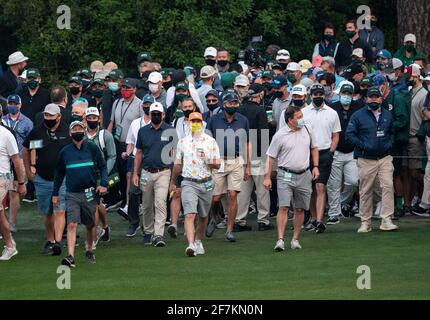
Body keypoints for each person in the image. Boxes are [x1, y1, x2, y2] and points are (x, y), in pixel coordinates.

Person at [264, 105, 319, 251]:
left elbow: (314, 148)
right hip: (284, 175)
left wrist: (316, 166)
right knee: (283, 207)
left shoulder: (308, 129)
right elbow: (270, 157)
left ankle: (295, 239)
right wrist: (267, 177)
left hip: (304, 174)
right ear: (290, 120)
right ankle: (280, 240)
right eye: (299, 117)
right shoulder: (280, 135)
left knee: (300, 209)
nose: (302, 119)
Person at [53, 121, 108, 267]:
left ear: (83, 131)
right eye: (74, 129)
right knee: (71, 224)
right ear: (70, 133)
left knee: (90, 226)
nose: (77, 131)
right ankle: (70, 256)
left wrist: (103, 183)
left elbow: (103, 167)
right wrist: (55, 193)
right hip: (72, 193)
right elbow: (59, 173)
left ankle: (89, 250)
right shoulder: (65, 152)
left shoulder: (92, 148)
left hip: (90, 193)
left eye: (79, 128)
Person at [346, 87, 399, 232]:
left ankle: (386, 219)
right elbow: (350, 134)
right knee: (365, 190)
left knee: (388, 185)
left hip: (384, 157)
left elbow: (392, 133)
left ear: (381, 99)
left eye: (377, 97)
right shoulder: (358, 115)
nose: (374, 99)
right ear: (366, 99)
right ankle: (365, 221)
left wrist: (389, 144)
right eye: (371, 97)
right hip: (365, 158)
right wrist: (363, 145)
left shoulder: (387, 115)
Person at [169, 112, 221, 256]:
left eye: (198, 121)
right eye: (193, 121)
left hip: (206, 182)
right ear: (188, 124)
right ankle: (191, 244)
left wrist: (207, 159)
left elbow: (217, 164)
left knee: (203, 216)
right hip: (189, 182)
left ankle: (198, 240)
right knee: (190, 214)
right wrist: (173, 181)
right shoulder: (182, 142)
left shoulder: (210, 141)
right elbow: (178, 164)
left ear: (202, 123)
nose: (195, 123)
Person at [22, 104, 71, 255]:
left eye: (51, 116)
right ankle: (50, 240)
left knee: (60, 211)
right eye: (46, 116)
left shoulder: (67, 130)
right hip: (43, 178)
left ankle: (57, 242)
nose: (48, 118)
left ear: (59, 116)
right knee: (47, 212)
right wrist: (29, 170)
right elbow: (26, 149)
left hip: (62, 178)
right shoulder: (37, 131)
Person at [206, 91, 250, 242]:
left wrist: (248, 166)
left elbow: (247, 143)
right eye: (229, 103)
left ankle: (230, 230)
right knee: (216, 197)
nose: (232, 105)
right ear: (223, 105)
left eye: (234, 103)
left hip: (236, 160)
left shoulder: (243, 120)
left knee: (232, 194)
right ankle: (215, 217)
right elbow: (207, 141)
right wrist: (209, 161)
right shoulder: (214, 120)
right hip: (218, 161)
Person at [132, 102, 177, 247]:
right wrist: (135, 173)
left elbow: (174, 154)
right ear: (149, 115)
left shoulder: (170, 130)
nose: (156, 116)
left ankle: (158, 235)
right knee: (146, 204)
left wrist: (173, 176)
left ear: (163, 115)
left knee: (160, 203)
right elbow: (138, 153)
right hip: (146, 171)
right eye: (154, 114)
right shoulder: (143, 131)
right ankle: (148, 231)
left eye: (159, 114)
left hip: (163, 172)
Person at [302, 84, 341, 233]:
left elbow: (336, 135)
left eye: (320, 94)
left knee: (320, 186)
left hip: (325, 153)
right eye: (315, 94)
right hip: (307, 153)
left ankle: (319, 220)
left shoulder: (332, 113)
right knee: (310, 189)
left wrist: (331, 151)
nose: (318, 96)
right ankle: (313, 219)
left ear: (324, 95)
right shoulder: (303, 112)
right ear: (310, 96)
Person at [236, 84, 272, 231]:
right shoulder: (260, 110)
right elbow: (263, 134)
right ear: (260, 94)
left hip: (241, 153)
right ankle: (263, 220)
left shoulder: (239, 109)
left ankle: (239, 220)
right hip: (257, 152)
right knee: (262, 189)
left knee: (243, 189)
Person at [326, 84, 361, 224]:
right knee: (333, 184)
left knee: (353, 181)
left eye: (349, 93)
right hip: (336, 151)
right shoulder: (332, 108)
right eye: (344, 93)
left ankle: (341, 202)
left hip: (352, 151)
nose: (346, 96)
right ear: (339, 94)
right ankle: (334, 213)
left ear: (352, 95)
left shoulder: (359, 108)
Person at [107, 78, 143, 211]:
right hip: (118, 142)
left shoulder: (140, 104)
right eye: (123, 88)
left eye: (128, 88)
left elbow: (142, 124)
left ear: (134, 89)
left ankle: (131, 204)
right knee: (119, 173)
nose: (125, 90)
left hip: (131, 144)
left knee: (130, 174)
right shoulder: (117, 102)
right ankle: (122, 200)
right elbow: (112, 122)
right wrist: (108, 138)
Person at [1, 95, 33, 232]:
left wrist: (32, 163)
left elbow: (33, 144)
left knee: (14, 191)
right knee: (3, 192)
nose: (13, 105)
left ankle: (11, 223)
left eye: (15, 103)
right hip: (3, 159)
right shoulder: (2, 120)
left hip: (18, 159)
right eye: (10, 103)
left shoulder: (27, 122)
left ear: (20, 105)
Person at [85, 107, 116, 243]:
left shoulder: (106, 135)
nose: (92, 120)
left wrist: (105, 174)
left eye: (94, 118)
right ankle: (105, 227)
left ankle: (95, 232)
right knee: (96, 204)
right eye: (89, 118)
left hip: (101, 175)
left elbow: (112, 156)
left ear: (99, 119)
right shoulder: (81, 134)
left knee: (94, 203)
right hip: (86, 175)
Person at [124, 95, 154, 236]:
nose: (147, 106)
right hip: (136, 160)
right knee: (133, 192)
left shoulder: (158, 122)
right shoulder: (136, 123)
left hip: (151, 161)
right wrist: (127, 153)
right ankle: (133, 222)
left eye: (150, 104)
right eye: (145, 103)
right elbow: (130, 141)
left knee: (150, 194)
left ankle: (149, 224)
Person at [0, 122, 26, 261]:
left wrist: (20, 182)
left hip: (2, 178)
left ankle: (10, 246)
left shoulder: (6, 134)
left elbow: (16, 160)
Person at [405, 64, 427, 212]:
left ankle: (426, 196)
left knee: (415, 172)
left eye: (410, 76)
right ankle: (411, 202)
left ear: (417, 76)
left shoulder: (424, 94)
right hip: (406, 137)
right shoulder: (410, 91)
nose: (408, 79)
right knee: (407, 172)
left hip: (416, 137)